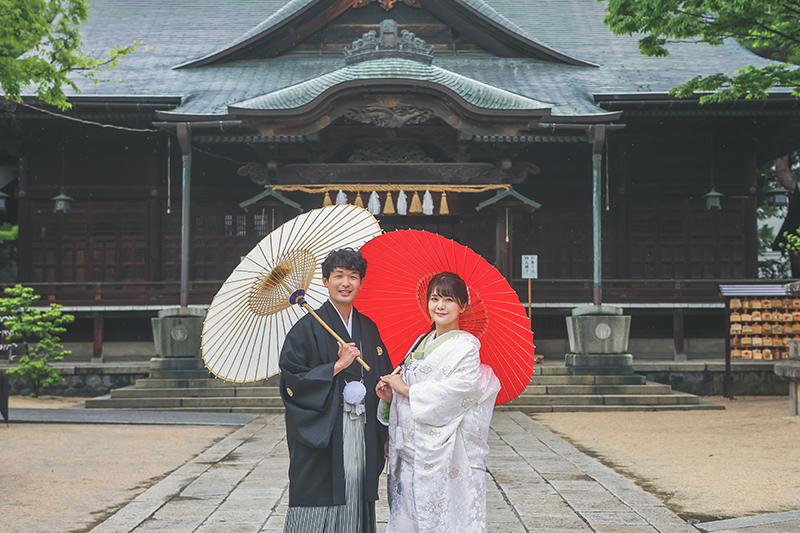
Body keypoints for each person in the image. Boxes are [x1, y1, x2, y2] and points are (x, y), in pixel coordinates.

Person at [377, 272, 501, 533]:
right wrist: (392, 397)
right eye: (434, 298)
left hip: (443, 452)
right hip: (411, 449)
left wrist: (408, 391)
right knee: (408, 518)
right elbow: (407, 387)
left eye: (449, 299)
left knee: (444, 520)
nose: (440, 306)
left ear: (462, 306)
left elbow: (460, 392)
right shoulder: (419, 342)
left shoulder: (466, 347)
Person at [279, 248, 392, 533]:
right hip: (327, 432)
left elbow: (383, 374)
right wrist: (336, 367)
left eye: (353, 277)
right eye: (338, 276)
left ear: (361, 283)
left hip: (363, 431)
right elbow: (292, 381)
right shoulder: (306, 328)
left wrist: (385, 402)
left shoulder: (369, 327)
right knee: (318, 494)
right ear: (325, 280)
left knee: (355, 492)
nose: (346, 283)